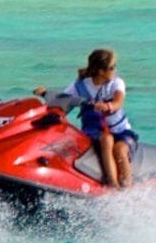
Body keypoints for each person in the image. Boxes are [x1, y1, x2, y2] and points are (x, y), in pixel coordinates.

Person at [42, 47, 135, 187]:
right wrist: (45, 94)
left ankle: (128, 189)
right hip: (93, 132)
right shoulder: (79, 86)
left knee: (120, 149)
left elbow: (118, 101)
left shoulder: (116, 83)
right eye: (112, 67)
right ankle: (113, 185)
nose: (115, 70)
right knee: (106, 139)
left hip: (120, 131)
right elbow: (63, 101)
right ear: (100, 71)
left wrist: (108, 106)